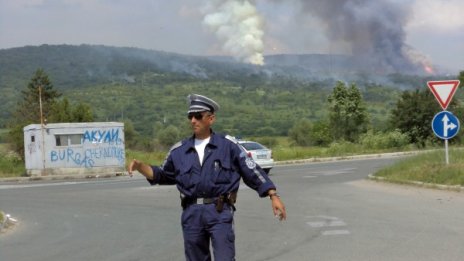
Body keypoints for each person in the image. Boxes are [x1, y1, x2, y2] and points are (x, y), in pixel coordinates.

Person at [128, 94, 286, 261]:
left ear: (211, 119)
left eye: (198, 116)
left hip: (219, 211)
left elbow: (251, 170)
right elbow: (161, 175)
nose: (193, 121)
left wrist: (272, 195)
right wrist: (140, 166)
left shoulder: (228, 146)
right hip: (191, 213)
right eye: (190, 116)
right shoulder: (179, 150)